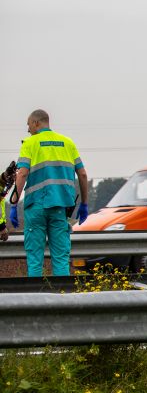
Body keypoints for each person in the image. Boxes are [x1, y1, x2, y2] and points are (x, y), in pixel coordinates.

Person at [14, 109, 88, 277]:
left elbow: (22, 173)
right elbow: (83, 174)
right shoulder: (68, 143)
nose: (28, 129)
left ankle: (36, 294)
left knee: (35, 259)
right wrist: (84, 203)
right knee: (61, 258)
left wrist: (13, 203)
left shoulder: (30, 143)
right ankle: (62, 293)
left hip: (36, 207)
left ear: (36, 123)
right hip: (60, 208)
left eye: (28, 125)